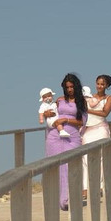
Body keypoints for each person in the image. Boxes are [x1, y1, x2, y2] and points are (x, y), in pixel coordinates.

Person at [43, 73, 87, 210]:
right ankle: (54, 200)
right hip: (55, 136)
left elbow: (82, 121)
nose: (69, 90)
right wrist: (46, 114)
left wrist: (66, 120)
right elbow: (50, 113)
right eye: (67, 87)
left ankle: (67, 199)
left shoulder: (81, 101)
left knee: (70, 167)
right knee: (54, 167)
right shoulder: (59, 100)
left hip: (72, 137)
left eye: (72, 87)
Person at [81, 75, 111, 199]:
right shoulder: (89, 97)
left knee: (100, 157)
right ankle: (85, 188)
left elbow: (105, 112)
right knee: (85, 158)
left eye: (102, 84)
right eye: (98, 83)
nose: (99, 86)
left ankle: (100, 186)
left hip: (101, 128)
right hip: (88, 129)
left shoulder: (109, 98)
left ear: (107, 86)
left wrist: (88, 110)